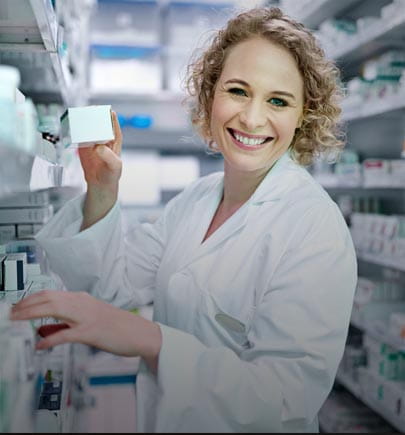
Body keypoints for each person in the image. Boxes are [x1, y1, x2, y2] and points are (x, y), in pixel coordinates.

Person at [11, 7, 357, 433]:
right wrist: (102, 188)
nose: (251, 118)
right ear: (211, 94)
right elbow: (110, 285)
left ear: (303, 115)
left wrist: (148, 338)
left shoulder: (314, 228)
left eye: (278, 101)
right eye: (237, 90)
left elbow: (283, 401)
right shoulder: (196, 199)